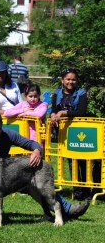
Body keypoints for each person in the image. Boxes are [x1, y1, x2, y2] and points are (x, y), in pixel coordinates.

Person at [0, 110, 89, 222]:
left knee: (43, 188)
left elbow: (32, 143)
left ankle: (68, 209)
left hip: (10, 176)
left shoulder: (7, 134)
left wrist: (36, 151)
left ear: (2, 125)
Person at [50, 68, 96, 200]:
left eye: (73, 79)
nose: (71, 82)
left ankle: (86, 190)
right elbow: (54, 109)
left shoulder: (81, 93)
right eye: (68, 79)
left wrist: (63, 113)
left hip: (80, 131)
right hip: (65, 133)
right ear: (62, 80)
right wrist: (53, 114)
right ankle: (77, 190)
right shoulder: (57, 93)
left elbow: (81, 112)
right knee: (71, 161)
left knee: (83, 161)